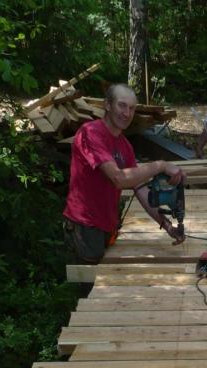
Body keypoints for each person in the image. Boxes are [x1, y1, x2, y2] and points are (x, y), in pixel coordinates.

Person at [63, 83, 187, 264]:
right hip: (84, 225)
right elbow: (119, 178)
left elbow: (141, 188)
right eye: (122, 105)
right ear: (107, 105)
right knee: (91, 288)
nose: (127, 113)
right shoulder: (90, 133)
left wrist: (166, 224)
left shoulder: (125, 146)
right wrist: (160, 165)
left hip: (107, 224)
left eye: (132, 108)